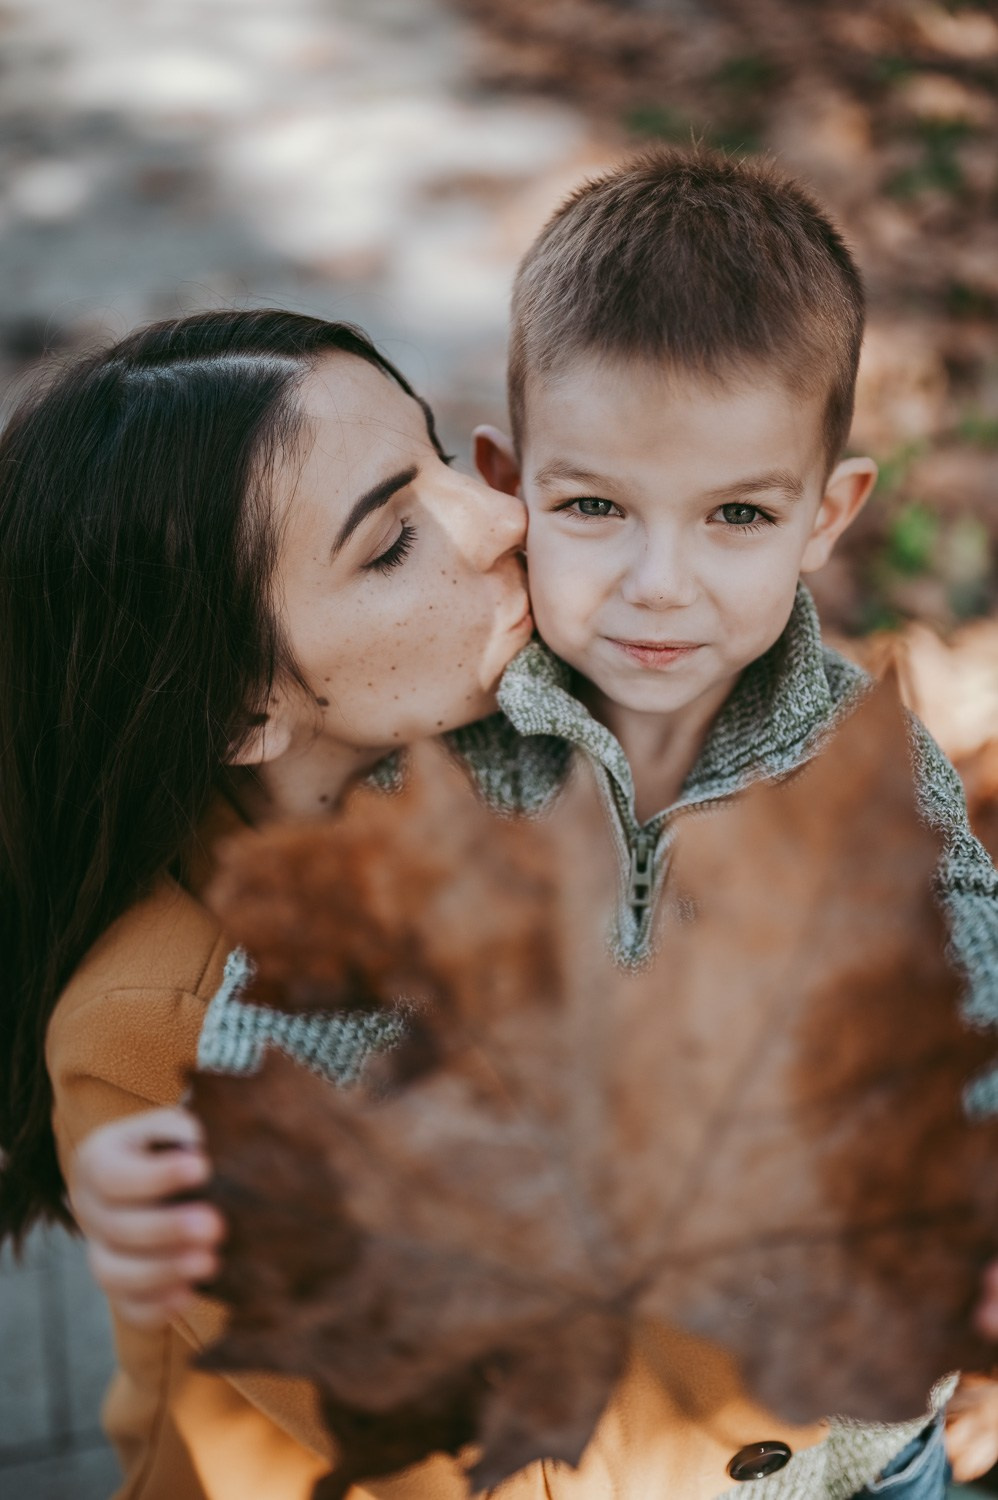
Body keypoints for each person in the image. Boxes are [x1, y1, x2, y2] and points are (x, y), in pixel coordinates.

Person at [65, 150, 998, 1496]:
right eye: (590, 509)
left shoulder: (859, 745)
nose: (657, 589)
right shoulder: (438, 779)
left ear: (824, 516)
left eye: (735, 515)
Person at [0, 307, 532, 1499]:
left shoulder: (500, 743)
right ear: (243, 707)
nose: (503, 517)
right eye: (394, 540)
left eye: (441, 452)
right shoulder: (154, 1035)